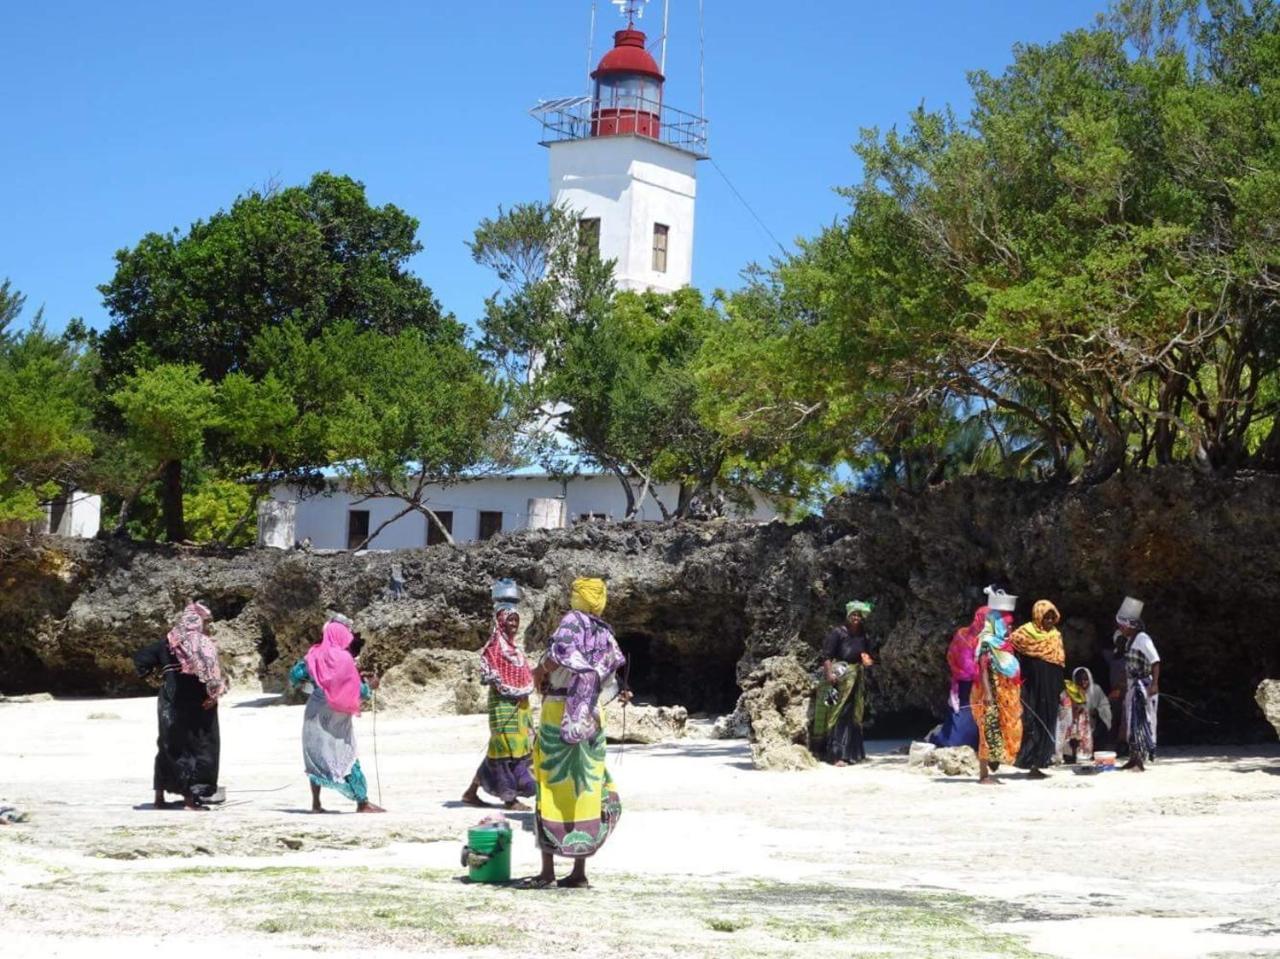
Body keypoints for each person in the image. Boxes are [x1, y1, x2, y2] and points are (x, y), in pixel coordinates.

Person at [530, 577, 629, 889]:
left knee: (549, 783)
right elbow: (610, 676)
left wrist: (540, 671)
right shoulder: (604, 633)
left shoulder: (573, 621)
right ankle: (578, 871)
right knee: (586, 785)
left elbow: (558, 653)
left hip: (558, 712)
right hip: (590, 716)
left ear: (579, 599)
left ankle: (547, 871)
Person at [133, 601, 228, 810]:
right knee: (198, 747)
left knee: (168, 746)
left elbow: (141, 659)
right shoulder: (203, 644)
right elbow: (212, 676)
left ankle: (159, 798)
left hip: (169, 702)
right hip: (199, 704)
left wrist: (159, 678)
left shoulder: (166, 643)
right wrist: (213, 695)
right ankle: (189, 800)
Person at [289, 616, 385, 813]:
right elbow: (359, 691)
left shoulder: (313, 654)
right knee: (346, 754)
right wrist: (371, 685)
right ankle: (362, 802)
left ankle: (316, 803)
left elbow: (295, 676)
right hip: (337, 715)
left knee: (315, 755)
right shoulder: (344, 658)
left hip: (315, 710)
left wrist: (314, 684)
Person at [462, 587, 536, 810]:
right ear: (501, 621)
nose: (514, 624)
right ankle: (509, 798)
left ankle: (471, 792)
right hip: (502, 705)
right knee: (505, 750)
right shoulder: (493, 648)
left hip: (520, 706)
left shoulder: (515, 650)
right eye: (510, 620)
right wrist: (501, 684)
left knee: (505, 748)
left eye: (516, 620)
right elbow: (487, 673)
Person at [811, 600, 875, 766]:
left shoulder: (863, 635)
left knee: (853, 714)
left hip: (855, 680)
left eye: (859, 615)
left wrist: (867, 660)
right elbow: (826, 656)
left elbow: (866, 654)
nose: (856, 618)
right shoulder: (838, 633)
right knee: (835, 713)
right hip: (839, 678)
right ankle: (834, 755)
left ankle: (852, 754)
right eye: (853, 615)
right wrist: (829, 673)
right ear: (848, 616)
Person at [970, 587, 1022, 785]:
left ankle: (992, 766)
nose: (1009, 629)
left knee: (998, 729)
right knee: (987, 729)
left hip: (1002, 695)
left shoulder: (1002, 644)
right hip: (988, 694)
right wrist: (989, 694)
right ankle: (984, 775)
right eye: (1006, 625)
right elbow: (983, 668)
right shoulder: (988, 643)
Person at [1010, 600, 1066, 780]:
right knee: (1033, 721)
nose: (1049, 620)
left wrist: (1061, 689)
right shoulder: (1024, 633)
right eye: (1046, 617)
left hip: (1051, 687)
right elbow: (1012, 650)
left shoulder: (1055, 636)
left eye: (1052, 617)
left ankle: (1041, 762)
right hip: (1032, 686)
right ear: (1038, 616)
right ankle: (1030, 762)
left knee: (1048, 721)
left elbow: (1059, 662)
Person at [1116, 597, 1160, 771]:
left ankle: (1140, 759)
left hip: (1144, 685)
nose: (1120, 629)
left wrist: (1154, 684)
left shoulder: (1143, 638)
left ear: (1130, 625)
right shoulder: (1128, 641)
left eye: (1122, 626)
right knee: (1131, 721)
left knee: (1143, 720)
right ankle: (1133, 757)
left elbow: (1155, 661)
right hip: (1133, 686)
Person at [928, 609, 981, 749]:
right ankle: (953, 740)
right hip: (967, 681)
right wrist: (978, 673)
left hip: (972, 681)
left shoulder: (983, 637)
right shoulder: (964, 635)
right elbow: (960, 657)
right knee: (963, 712)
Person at [1056, 667, 1112, 763]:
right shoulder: (1069, 691)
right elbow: (1063, 709)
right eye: (1080, 679)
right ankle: (1070, 753)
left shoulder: (1096, 690)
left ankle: (1085, 752)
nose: (1083, 682)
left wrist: (1096, 712)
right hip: (1073, 722)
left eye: (1086, 679)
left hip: (1092, 722)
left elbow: (1105, 706)